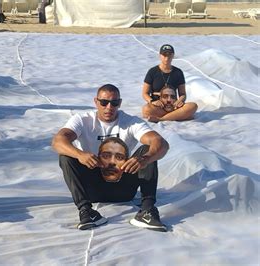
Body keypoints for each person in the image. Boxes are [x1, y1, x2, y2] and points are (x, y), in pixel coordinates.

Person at [52, 84, 169, 231]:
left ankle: (147, 211)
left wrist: (145, 158)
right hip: (92, 188)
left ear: (119, 103)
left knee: (148, 150)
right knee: (66, 155)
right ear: (96, 102)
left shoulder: (131, 122)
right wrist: (80, 154)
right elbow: (58, 141)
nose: (109, 107)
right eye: (104, 102)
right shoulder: (83, 120)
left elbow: (161, 144)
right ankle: (86, 211)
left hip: (123, 188)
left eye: (114, 103)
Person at [142, 44, 197, 122]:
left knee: (193, 106)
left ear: (173, 56)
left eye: (169, 55)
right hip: (158, 107)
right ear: (160, 55)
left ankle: (161, 119)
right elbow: (145, 93)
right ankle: (178, 115)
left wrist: (180, 101)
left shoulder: (178, 72)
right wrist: (152, 101)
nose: (167, 58)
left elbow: (182, 94)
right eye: (164, 55)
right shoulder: (152, 71)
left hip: (174, 106)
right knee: (146, 109)